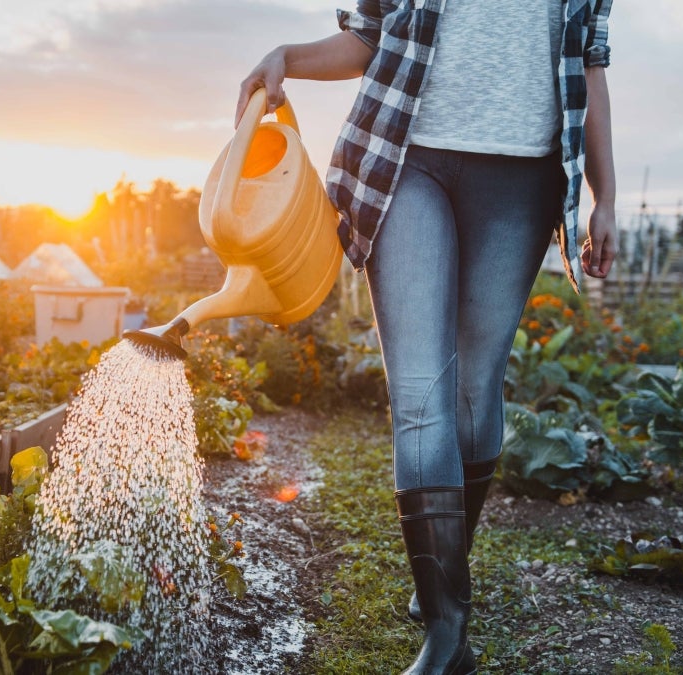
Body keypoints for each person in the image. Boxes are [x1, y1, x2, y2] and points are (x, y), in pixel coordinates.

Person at [237, 1, 617, 673]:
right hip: (404, 160)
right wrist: (286, 57)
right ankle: (447, 631)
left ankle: (444, 572)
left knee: (474, 389)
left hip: (523, 178)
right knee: (419, 393)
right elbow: (368, 36)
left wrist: (604, 196)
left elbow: (589, 61)